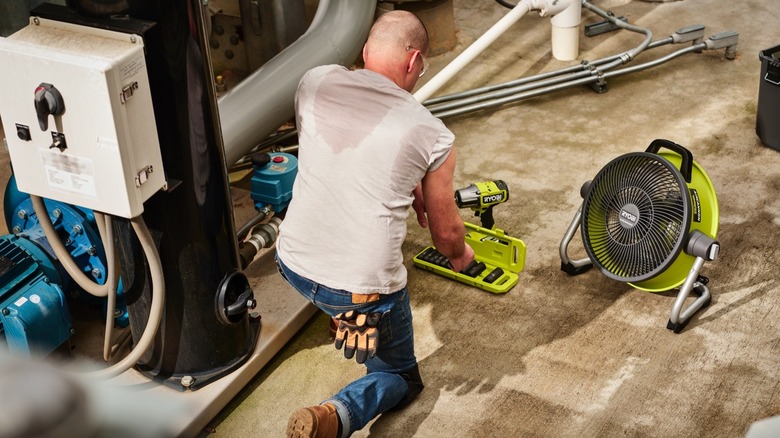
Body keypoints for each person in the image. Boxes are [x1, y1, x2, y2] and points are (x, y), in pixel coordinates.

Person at [275, 10, 474, 438]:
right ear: (414, 61)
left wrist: (411, 184)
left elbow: (345, 152)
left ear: (365, 51)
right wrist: (461, 256)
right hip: (360, 288)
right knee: (403, 377)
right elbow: (445, 235)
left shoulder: (316, 82)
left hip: (291, 261)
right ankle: (335, 414)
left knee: (337, 291)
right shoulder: (431, 133)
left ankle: (340, 315)